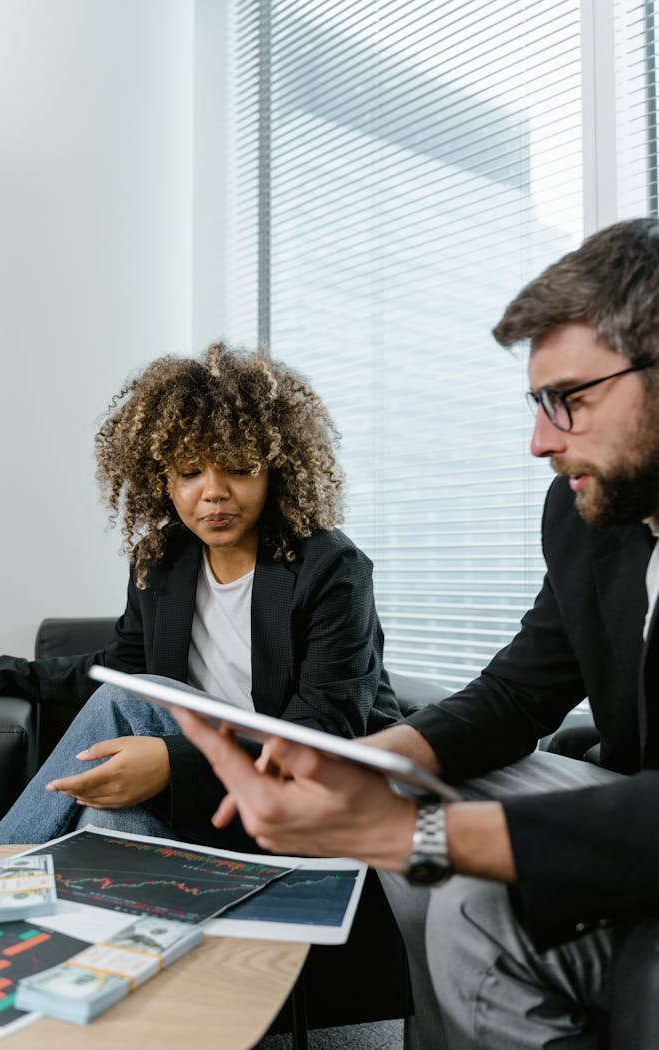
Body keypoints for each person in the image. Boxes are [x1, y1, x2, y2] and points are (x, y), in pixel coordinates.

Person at [172, 218, 659, 1050]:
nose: (540, 441)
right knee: (405, 793)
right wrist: (373, 761)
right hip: (624, 788)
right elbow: (519, 691)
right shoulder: (587, 517)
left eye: (570, 400)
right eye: (538, 404)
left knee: (471, 892)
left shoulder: (326, 566)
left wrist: (408, 833)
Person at [0, 343, 399, 846]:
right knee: (107, 819)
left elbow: (325, 728)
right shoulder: (162, 559)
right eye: (190, 472)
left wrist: (172, 760)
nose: (213, 492)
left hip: (299, 793)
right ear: (162, 479)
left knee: (127, 702)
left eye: (237, 467)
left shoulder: (330, 568)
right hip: (203, 793)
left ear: (275, 470)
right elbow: (117, 665)